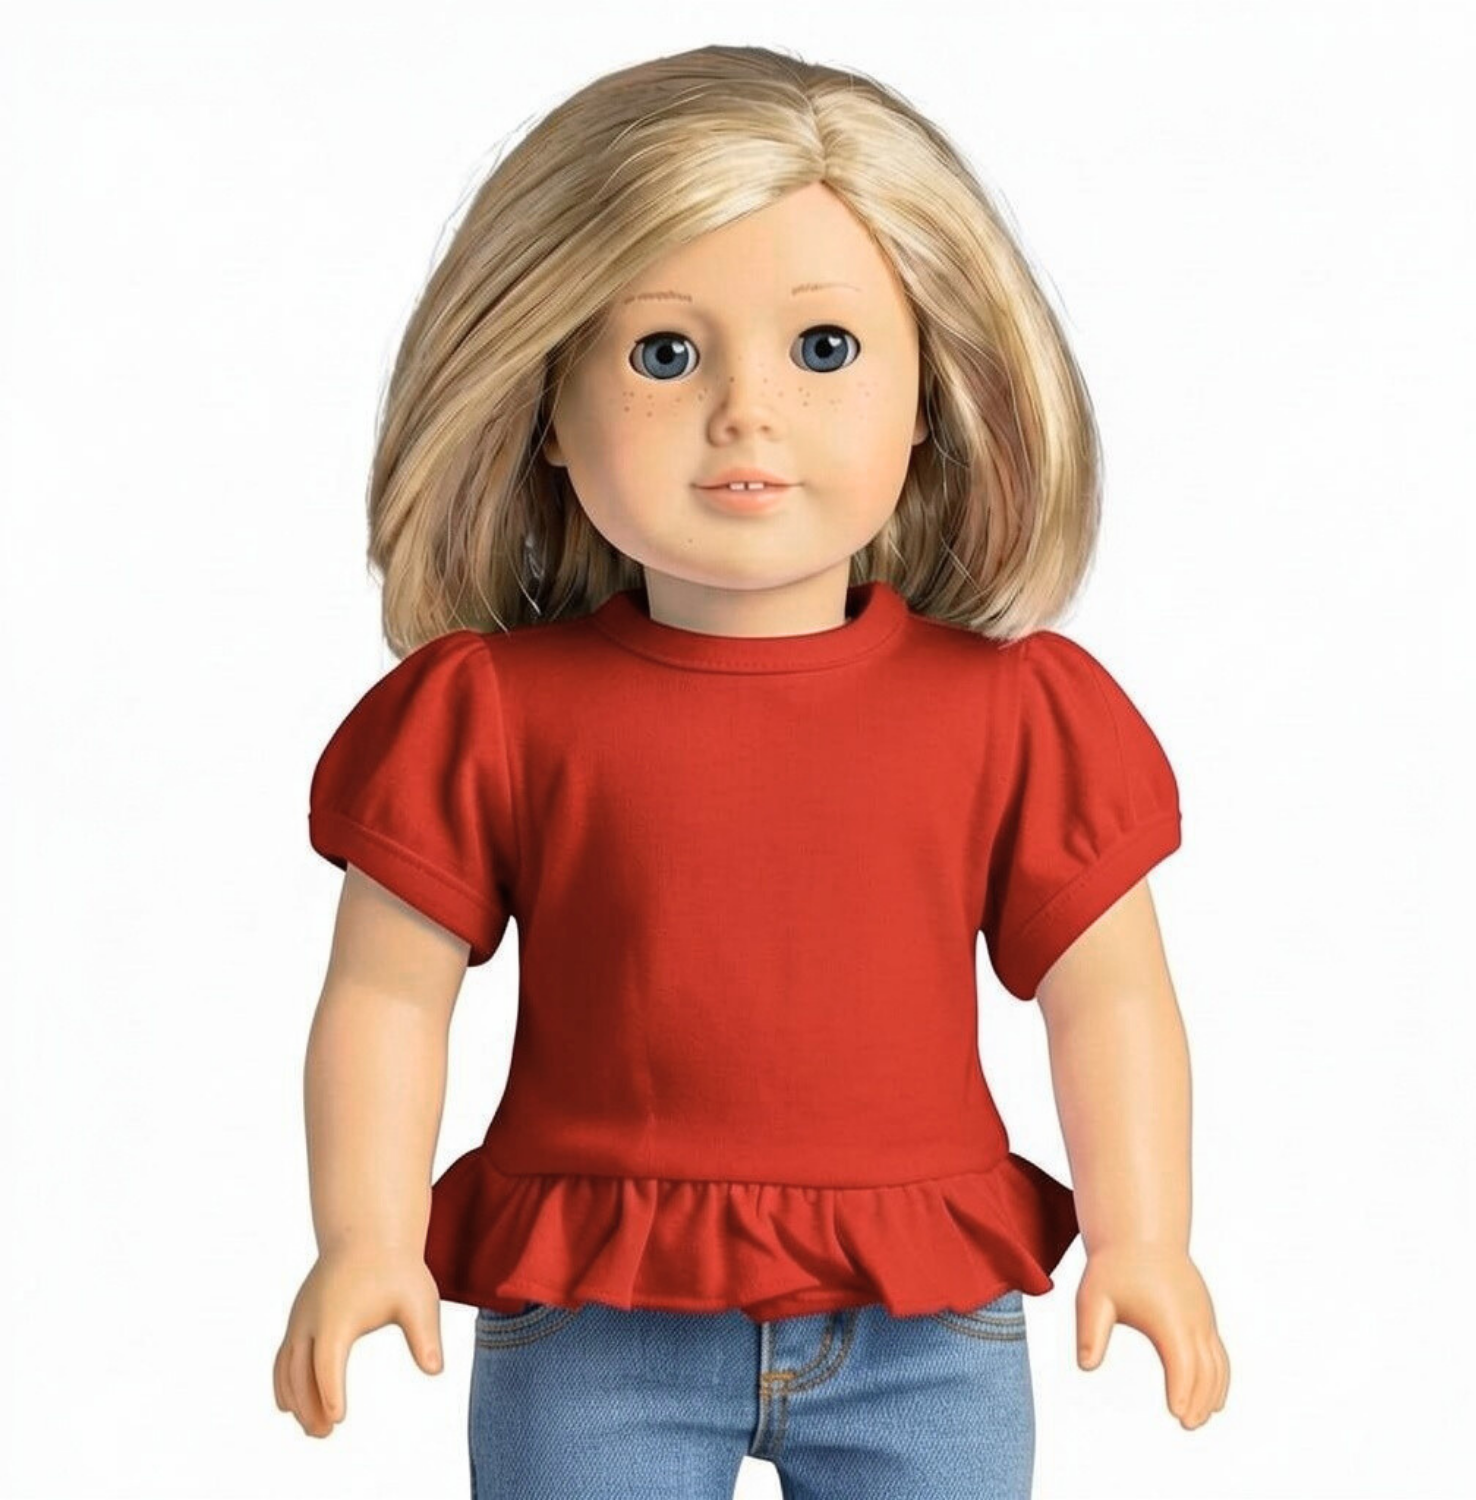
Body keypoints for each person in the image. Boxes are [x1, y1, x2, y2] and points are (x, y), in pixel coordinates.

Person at [272, 43, 1229, 1498]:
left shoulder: (1013, 712)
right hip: (598, 1308)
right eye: (664, 354)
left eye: (824, 349)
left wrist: (1147, 1234)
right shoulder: (492, 713)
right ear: (545, 404)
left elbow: (1111, 995)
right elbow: (388, 996)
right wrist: (361, 1236)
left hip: (924, 1313)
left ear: (933, 395)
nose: (746, 413)